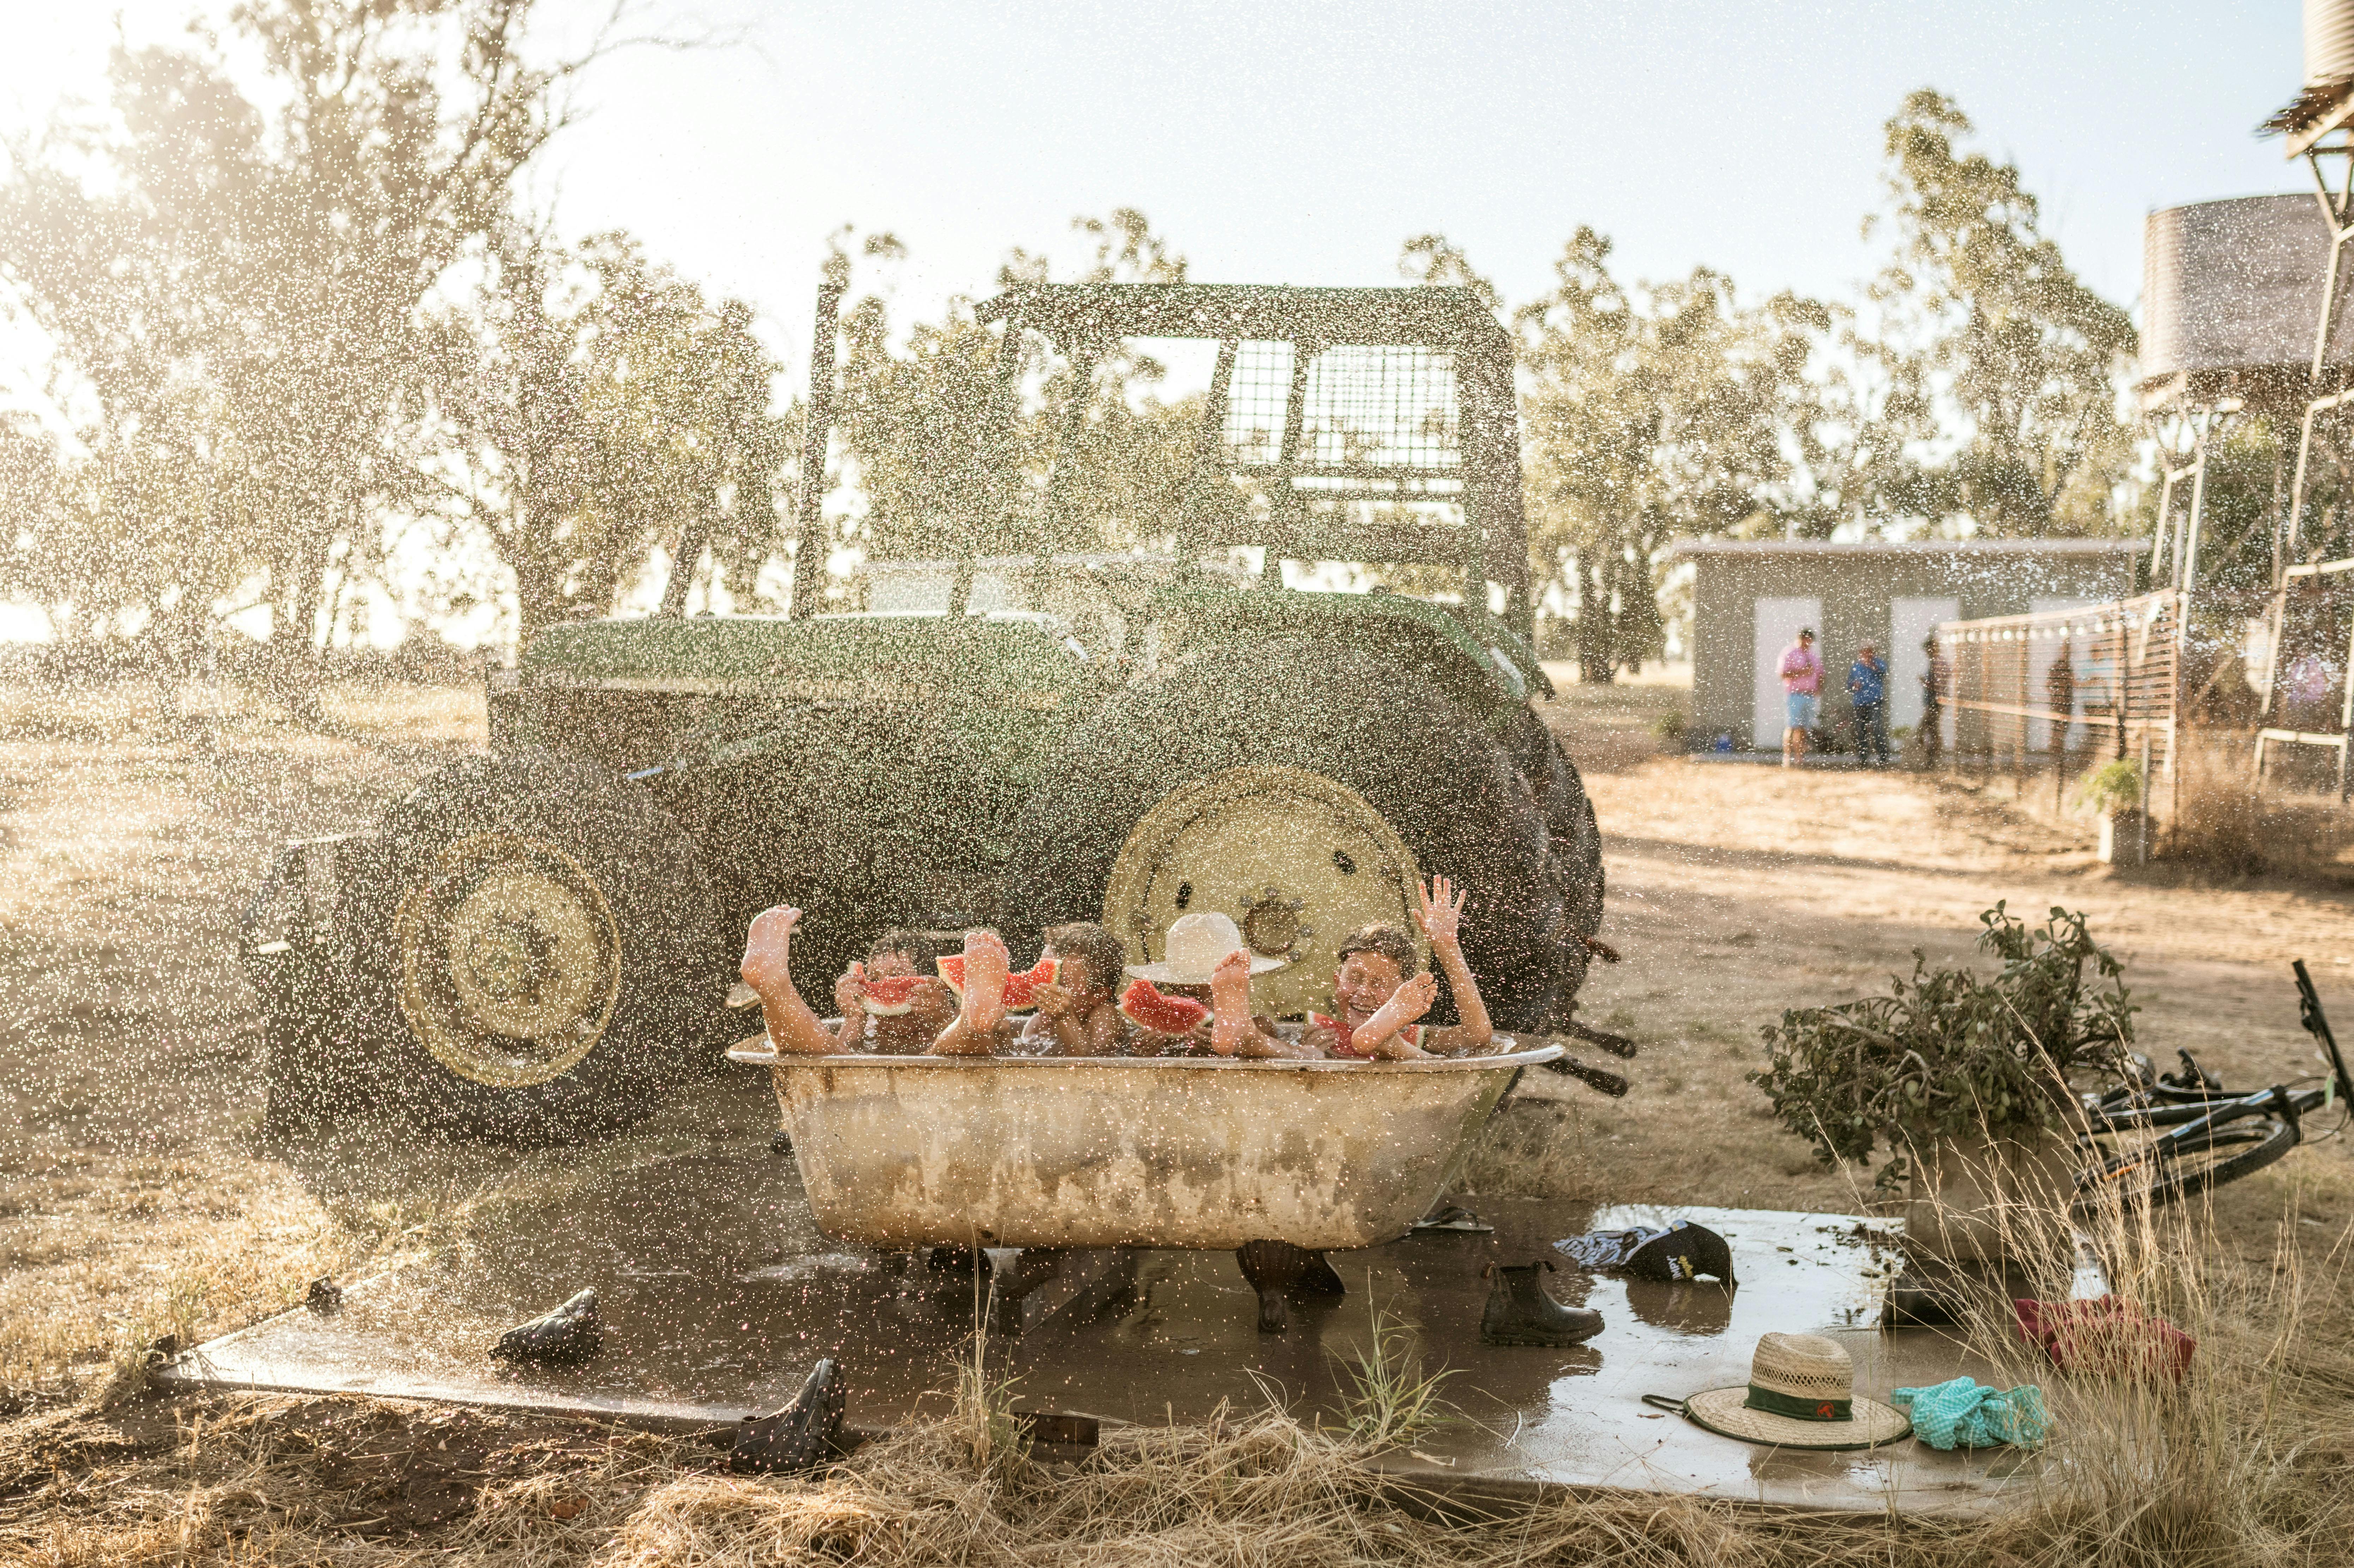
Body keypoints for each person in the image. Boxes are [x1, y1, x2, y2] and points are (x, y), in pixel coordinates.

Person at [1300, 875, 1495, 1059]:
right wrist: (1303, 1052)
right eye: (1354, 979)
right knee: (1433, 1061)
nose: (1364, 992)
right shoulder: (1318, 1034)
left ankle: (1387, 1041)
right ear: (1337, 982)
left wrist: (1448, 949)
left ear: (1402, 994)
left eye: (1379, 984)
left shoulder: (1421, 1038)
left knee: (1408, 1048)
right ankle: (1385, 1043)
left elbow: (1476, 1037)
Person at [740, 911, 956, 1056]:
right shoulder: (868, 1026)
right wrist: (854, 1017)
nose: (883, 984)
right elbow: (841, 1062)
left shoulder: (948, 1019)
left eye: (896, 975)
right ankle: (774, 988)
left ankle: (777, 989)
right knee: (829, 1054)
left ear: (936, 984)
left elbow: (962, 1040)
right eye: (872, 979)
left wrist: (943, 1014)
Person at [1123, 911, 1319, 1059]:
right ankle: (1298, 1051)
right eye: (1179, 987)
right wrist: (1142, 1053)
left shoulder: (1262, 1026)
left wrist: (1232, 1054)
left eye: (1206, 985)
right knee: (1304, 1053)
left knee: (1260, 1027)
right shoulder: (1156, 1034)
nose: (1188, 995)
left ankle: (1252, 1039)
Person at [1014, 921, 1130, 1057]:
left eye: (1060, 983)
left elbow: (1094, 1066)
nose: (1047, 989)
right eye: (1043, 980)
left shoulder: (1105, 1015)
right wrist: (1001, 1032)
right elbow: (1014, 1059)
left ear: (1099, 995)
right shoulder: (1037, 1023)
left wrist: (1064, 1018)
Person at [1777, 627, 1823, 767]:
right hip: (1795, 694)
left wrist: (1819, 688)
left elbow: (1821, 674)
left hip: (1809, 695)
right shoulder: (1790, 653)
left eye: (1811, 641)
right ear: (1801, 639)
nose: (1808, 643)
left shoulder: (1813, 656)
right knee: (1792, 726)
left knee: (1803, 729)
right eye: (1807, 640)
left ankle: (1799, 758)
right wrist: (1802, 672)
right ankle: (1787, 756)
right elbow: (1783, 674)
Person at [1846, 640, 1889, 768]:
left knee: (1877, 729)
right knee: (1861, 731)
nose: (1867, 654)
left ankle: (1883, 758)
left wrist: (1871, 664)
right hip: (1860, 703)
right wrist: (1854, 686)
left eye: (1870, 651)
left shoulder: (1879, 663)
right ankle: (1863, 760)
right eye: (1865, 651)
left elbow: (1882, 673)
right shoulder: (1856, 667)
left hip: (1875, 701)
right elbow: (1849, 685)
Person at [1919, 634, 1949, 767]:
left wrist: (1926, 683)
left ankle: (1932, 758)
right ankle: (1930, 760)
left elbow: (1938, 684)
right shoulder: (1935, 662)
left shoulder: (1938, 662)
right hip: (1933, 702)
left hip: (1935, 703)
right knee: (1932, 731)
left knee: (1926, 730)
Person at [2045, 638, 2076, 760]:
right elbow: (2048, 685)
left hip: (2066, 704)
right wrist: (2058, 693)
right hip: (2057, 704)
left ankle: (2058, 752)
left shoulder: (2069, 668)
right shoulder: (2056, 667)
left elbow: (2074, 683)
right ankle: (2056, 752)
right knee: (2057, 728)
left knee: (2062, 729)